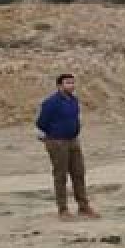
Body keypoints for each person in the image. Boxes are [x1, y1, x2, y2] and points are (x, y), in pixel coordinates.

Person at [36, 73, 96, 220]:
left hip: (73, 140)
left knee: (79, 173)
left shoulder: (74, 100)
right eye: (68, 83)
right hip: (57, 142)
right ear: (59, 85)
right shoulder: (51, 102)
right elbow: (41, 122)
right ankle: (63, 209)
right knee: (61, 176)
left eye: (72, 83)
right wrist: (49, 136)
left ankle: (83, 206)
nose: (71, 85)